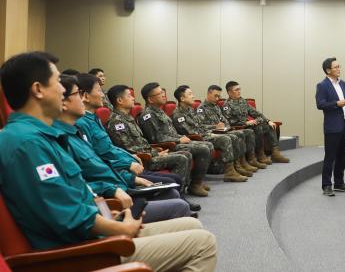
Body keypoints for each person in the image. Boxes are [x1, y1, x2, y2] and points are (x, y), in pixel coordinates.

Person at [0, 51, 217, 271]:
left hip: (96, 230)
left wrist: (109, 214)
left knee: (192, 224)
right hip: (80, 251)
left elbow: (75, 193)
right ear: (38, 90)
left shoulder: (43, 137)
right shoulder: (27, 143)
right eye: (57, 82)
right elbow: (66, 217)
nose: (62, 89)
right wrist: (118, 229)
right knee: (203, 244)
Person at [55, 74, 192, 222]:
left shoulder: (79, 129)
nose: (103, 95)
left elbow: (104, 159)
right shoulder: (66, 136)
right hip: (111, 198)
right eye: (78, 94)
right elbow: (87, 177)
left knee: (172, 194)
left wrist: (129, 175)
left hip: (121, 182)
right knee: (178, 202)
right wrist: (123, 180)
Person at [105, 85, 208, 197]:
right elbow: (128, 149)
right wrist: (155, 152)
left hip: (150, 153)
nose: (133, 98)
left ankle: (179, 193)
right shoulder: (117, 122)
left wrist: (155, 151)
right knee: (181, 158)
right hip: (142, 160)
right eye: (129, 96)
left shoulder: (128, 118)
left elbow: (142, 143)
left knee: (186, 155)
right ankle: (176, 195)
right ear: (120, 100)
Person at [138, 82, 213, 196]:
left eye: (163, 92)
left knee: (208, 145)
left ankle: (196, 182)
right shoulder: (148, 115)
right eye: (159, 93)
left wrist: (180, 137)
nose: (163, 95)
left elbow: (170, 132)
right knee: (203, 148)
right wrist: (178, 140)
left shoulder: (160, 111)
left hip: (173, 141)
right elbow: (156, 138)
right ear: (150, 99)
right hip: (167, 146)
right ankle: (192, 186)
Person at [172, 84, 250, 182]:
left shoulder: (190, 110)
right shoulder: (178, 114)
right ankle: (229, 172)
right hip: (196, 138)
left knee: (234, 136)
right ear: (182, 98)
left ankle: (236, 166)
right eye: (190, 94)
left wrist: (214, 129)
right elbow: (191, 132)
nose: (193, 96)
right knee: (225, 138)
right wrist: (212, 132)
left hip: (204, 134)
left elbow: (200, 126)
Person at [197, 84, 266, 170]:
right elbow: (199, 126)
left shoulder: (216, 107)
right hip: (212, 133)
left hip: (223, 131)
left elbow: (225, 121)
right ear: (208, 94)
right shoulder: (201, 108)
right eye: (216, 96)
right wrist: (215, 127)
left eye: (219, 96)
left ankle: (246, 161)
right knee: (233, 136)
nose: (218, 99)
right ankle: (233, 168)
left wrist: (226, 126)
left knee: (247, 132)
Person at [222, 80, 290, 163]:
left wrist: (268, 121)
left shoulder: (243, 101)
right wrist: (245, 123)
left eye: (240, 89)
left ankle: (275, 153)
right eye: (236, 90)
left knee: (269, 126)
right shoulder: (226, 105)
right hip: (240, 128)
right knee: (258, 127)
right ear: (229, 92)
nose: (239, 91)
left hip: (250, 125)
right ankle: (260, 154)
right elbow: (229, 121)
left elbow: (255, 113)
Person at [315, 57, 345, 197]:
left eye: (339, 66)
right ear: (328, 70)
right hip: (332, 127)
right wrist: (336, 104)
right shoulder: (322, 86)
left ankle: (339, 183)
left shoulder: (343, 84)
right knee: (330, 157)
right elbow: (320, 104)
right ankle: (326, 185)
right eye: (336, 67)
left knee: (342, 157)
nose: (339, 69)